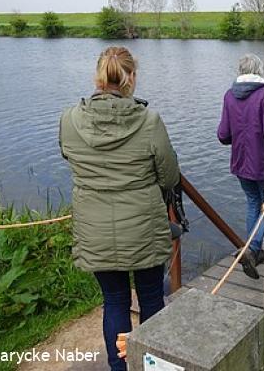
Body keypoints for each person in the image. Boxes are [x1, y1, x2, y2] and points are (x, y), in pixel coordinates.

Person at [59, 46, 179, 371]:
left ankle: (119, 368)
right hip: (143, 229)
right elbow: (169, 176)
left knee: (114, 301)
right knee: (152, 298)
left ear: (97, 76)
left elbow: (69, 156)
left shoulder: (70, 120)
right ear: (132, 78)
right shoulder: (149, 121)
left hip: (94, 230)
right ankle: (153, 366)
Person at [218, 53, 264, 280]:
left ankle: (252, 250)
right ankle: (254, 248)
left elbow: (223, 134)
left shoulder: (230, 95)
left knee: (253, 203)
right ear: (259, 70)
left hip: (240, 161)